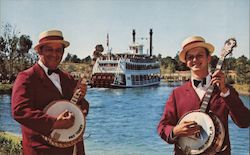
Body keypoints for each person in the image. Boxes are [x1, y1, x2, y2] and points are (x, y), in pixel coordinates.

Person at [157, 36, 250, 155]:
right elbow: (163, 127)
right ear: (186, 62)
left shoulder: (225, 90)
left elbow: (245, 121)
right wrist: (175, 130)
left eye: (199, 55)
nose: (195, 60)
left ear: (208, 58)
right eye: (190, 57)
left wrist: (225, 92)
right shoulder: (177, 94)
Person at [11, 30, 89, 155]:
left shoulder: (68, 78)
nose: (54, 54)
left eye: (59, 50)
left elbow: (82, 109)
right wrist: (54, 122)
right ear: (40, 51)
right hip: (42, 150)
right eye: (49, 49)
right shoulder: (26, 77)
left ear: (63, 53)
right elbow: (19, 111)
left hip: (74, 149)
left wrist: (80, 98)